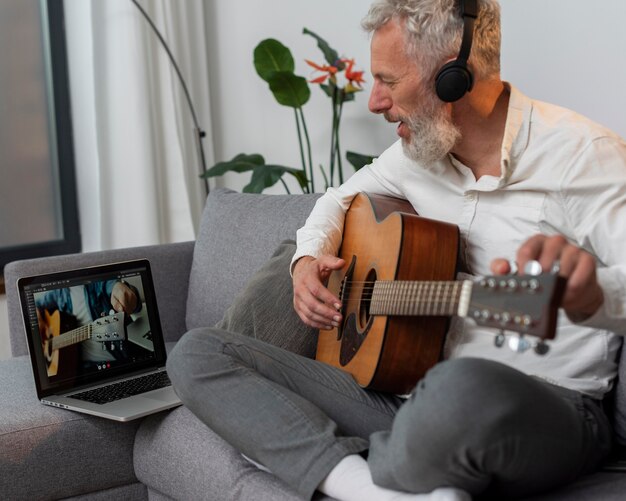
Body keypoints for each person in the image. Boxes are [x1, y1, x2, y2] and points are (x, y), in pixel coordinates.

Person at [166, 0, 626, 499]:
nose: (375, 102)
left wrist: (590, 295)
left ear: (454, 77)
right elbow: (337, 199)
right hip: (403, 401)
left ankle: (312, 452)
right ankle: (367, 486)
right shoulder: (418, 153)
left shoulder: (583, 156)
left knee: (458, 388)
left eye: (388, 80)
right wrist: (305, 261)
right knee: (198, 352)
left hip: (546, 406)